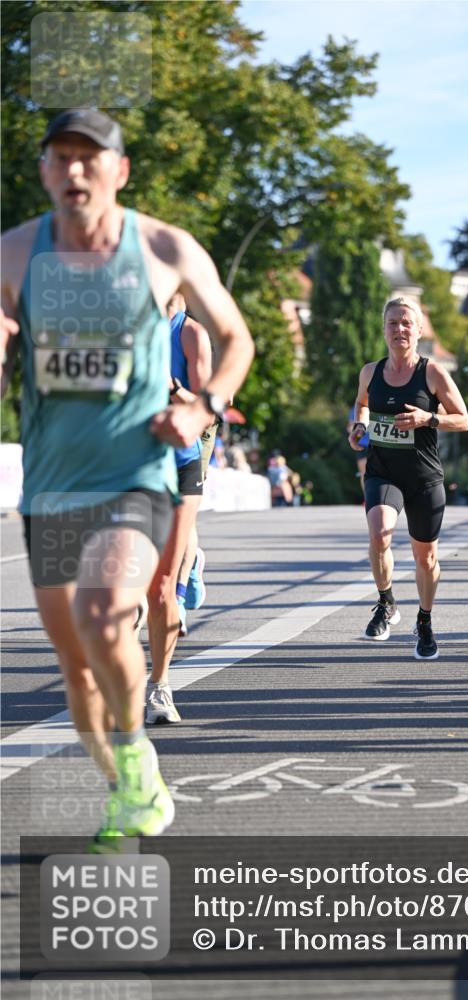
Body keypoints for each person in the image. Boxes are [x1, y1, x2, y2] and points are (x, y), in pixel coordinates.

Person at [0, 109, 254, 848]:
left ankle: (137, 750)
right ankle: (127, 789)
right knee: (78, 671)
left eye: (90, 157)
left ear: (120, 170)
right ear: (44, 171)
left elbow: (236, 337)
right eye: (60, 157)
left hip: (135, 477)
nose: (75, 171)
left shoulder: (164, 248)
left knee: (105, 613)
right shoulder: (14, 254)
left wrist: (203, 405)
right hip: (51, 486)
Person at [349, 296, 468, 660]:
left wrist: (428, 419)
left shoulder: (432, 373)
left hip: (423, 477)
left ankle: (424, 620)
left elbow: (463, 420)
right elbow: (361, 404)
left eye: (406, 323)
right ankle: (386, 602)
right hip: (382, 471)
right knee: (378, 535)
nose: (399, 329)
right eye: (392, 323)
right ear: (384, 329)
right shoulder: (370, 372)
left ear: (418, 330)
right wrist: (358, 427)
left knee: (426, 558)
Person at [145, 293, 213, 725]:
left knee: (162, 586)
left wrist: (171, 388)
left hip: (180, 459)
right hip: (127, 460)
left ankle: (160, 685)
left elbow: (205, 410)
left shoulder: (190, 333)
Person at [347, 404, 369, 494]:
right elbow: (350, 427)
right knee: (364, 473)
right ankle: (367, 498)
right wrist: (354, 430)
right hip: (362, 445)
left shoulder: (378, 404)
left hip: (378, 444)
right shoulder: (355, 409)